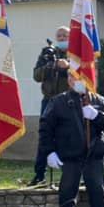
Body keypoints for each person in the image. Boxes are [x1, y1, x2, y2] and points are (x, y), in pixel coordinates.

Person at [38, 73, 104, 207]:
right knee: (67, 189)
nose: (77, 81)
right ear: (68, 80)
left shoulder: (97, 100)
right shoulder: (58, 101)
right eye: (73, 77)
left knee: (97, 188)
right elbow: (45, 129)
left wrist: (96, 115)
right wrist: (49, 152)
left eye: (80, 77)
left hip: (93, 154)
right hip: (70, 154)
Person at [29, 26, 71, 186]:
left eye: (64, 35)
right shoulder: (47, 53)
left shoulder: (77, 52)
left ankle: (70, 173)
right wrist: (52, 65)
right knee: (45, 136)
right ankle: (39, 174)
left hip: (69, 101)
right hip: (49, 100)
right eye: (59, 35)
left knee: (69, 136)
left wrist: (67, 67)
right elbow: (36, 76)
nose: (61, 38)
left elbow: (85, 74)